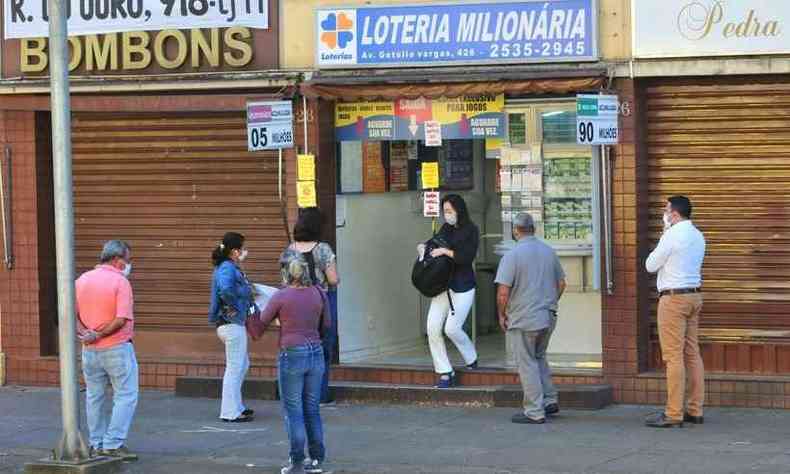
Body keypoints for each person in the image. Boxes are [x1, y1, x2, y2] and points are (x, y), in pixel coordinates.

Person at [259, 258, 331, 474]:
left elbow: (261, 321)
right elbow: (326, 324)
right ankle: (317, 460)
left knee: (294, 410)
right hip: (315, 352)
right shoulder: (319, 293)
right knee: (312, 409)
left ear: (286, 274)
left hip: (292, 353)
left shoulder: (281, 296)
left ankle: (297, 462)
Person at [495, 214, 566, 425]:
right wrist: (551, 302)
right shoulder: (548, 251)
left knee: (526, 363)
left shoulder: (512, 255)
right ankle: (550, 400)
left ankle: (535, 411)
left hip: (524, 317)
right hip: (548, 315)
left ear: (516, 230)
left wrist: (502, 314)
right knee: (539, 357)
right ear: (533, 229)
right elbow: (561, 283)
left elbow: (502, 292)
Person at [645, 196, 706, 428]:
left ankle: (673, 413)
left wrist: (663, 233)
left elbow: (650, 265)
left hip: (673, 299)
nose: (664, 213)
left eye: (666, 209)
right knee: (692, 353)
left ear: (675, 214)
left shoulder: (672, 235)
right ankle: (695, 409)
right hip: (694, 296)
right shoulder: (698, 235)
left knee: (673, 356)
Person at [76, 240, 139, 460]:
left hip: (89, 350)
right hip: (117, 348)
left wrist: (86, 334)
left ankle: (96, 442)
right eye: (128, 260)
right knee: (126, 395)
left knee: (94, 396)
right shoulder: (120, 282)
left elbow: (70, 313)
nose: (129, 264)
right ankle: (112, 444)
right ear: (117, 260)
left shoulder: (81, 280)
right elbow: (121, 319)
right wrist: (101, 334)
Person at [417, 194, 480, 388]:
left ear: (459, 211)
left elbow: (466, 257)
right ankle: (445, 371)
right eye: (445, 212)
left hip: (463, 286)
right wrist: (423, 247)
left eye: (450, 211)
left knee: (452, 328)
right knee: (432, 328)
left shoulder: (471, 230)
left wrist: (446, 252)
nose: (447, 215)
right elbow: (433, 242)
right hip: (443, 285)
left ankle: (471, 358)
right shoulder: (446, 228)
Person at [280, 207, 340, 405]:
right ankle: (320, 395)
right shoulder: (323, 249)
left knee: (299, 348)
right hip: (320, 301)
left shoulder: (289, 251)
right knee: (322, 348)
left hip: (294, 304)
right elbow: (332, 279)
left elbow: (284, 283)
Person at [209, 232, 256, 423]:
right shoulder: (227, 268)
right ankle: (229, 411)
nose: (245, 252)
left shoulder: (229, 266)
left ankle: (237, 406)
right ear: (235, 251)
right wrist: (237, 303)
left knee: (242, 365)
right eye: (243, 248)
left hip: (232, 324)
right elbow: (226, 289)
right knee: (235, 367)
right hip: (231, 323)